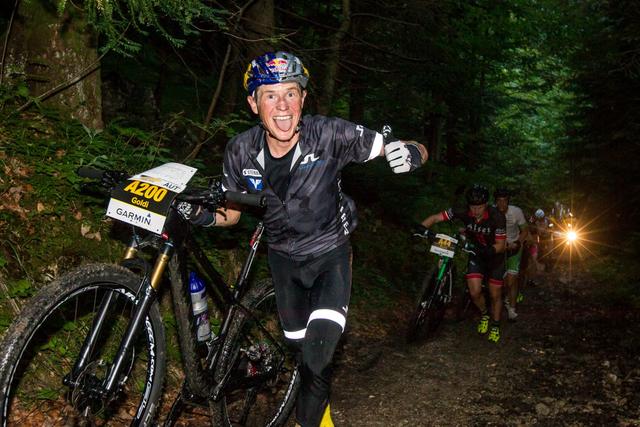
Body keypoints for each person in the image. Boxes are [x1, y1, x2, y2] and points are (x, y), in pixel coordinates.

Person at [184, 51, 428, 427]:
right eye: (270, 95)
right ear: (253, 103)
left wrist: (411, 153)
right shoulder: (240, 150)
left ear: (303, 99)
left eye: (291, 94)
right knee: (303, 356)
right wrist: (197, 214)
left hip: (330, 254)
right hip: (281, 260)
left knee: (317, 356)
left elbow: (406, 146)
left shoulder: (329, 134)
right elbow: (230, 215)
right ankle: (323, 417)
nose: (282, 106)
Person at [419, 184, 506, 343]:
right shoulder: (462, 210)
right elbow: (437, 217)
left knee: (495, 294)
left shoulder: (497, 216)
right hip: (476, 254)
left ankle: (496, 324)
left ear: (486, 205)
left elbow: (501, 245)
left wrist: (488, 251)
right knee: (474, 292)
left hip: (495, 258)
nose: (475, 210)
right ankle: (485, 314)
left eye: (479, 207)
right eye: (473, 207)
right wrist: (421, 227)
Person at [493, 188, 527, 321]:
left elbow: (525, 230)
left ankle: (511, 308)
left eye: (505, 201)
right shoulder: (491, 212)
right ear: (495, 202)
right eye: (499, 201)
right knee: (500, 280)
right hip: (499, 248)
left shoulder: (516, 212)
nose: (502, 204)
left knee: (512, 278)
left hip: (514, 247)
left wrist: (518, 243)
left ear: (508, 201)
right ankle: (502, 298)